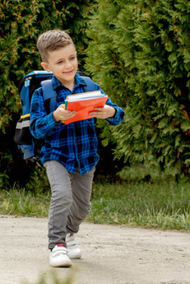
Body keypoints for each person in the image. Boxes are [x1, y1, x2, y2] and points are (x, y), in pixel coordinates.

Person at [30, 29, 124, 267]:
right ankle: (57, 245)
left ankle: (69, 232)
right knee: (62, 195)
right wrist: (55, 116)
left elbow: (118, 114)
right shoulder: (43, 93)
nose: (68, 65)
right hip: (56, 155)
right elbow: (36, 129)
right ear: (47, 65)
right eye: (60, 61)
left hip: (85, 155)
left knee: (82, 205)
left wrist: (110, 112)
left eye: (72, 58)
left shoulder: (90, 86)